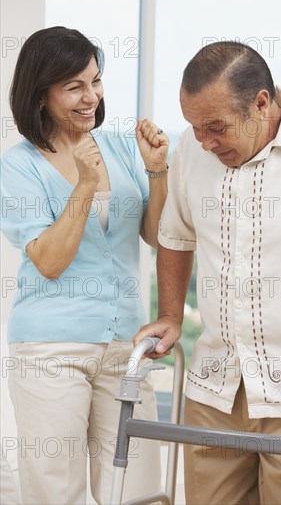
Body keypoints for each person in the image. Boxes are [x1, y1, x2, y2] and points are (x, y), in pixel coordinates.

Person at [134, 41, 281, 504]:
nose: (204, 142)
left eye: (216, 127)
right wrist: (172, 314)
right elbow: (176, 235)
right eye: (195, 128)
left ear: (262, 103)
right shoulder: (194, 152)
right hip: (215, 388)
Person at [0, 26, 169, 505]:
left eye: (95, 81)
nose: (90, 97)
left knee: (138, 491)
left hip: (124, 347)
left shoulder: (119, 148)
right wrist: (85, 185)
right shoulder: (20, 166)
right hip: (51, 350)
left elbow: (157, 236)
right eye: (73, 86)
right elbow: (50, 261)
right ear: (40, 94)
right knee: (57, 494)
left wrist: (156, 170)